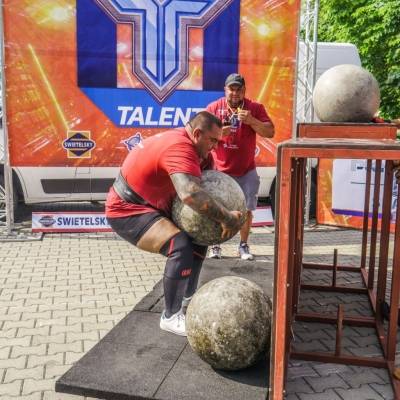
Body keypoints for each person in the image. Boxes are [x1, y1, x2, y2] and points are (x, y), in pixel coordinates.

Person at [105, 111, 243, 336]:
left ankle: (189, 299)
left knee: (198, 238)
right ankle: (170, 316)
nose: (215, 147)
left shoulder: (201, 152)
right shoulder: (180, 147)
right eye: (212, 140)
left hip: (155, 204)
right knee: (179, 246)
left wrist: (224, 213)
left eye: (218, 141)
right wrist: (227, 218)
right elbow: (190, 194)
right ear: (197, 134)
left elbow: (209, 187)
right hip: (126, 208)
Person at [206, 73, 275, 260]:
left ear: (244, 91)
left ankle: (243, 246)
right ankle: (215, 245)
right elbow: (201, 135)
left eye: (239, 89)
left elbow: (270, 132)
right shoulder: (214, 108)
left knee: (247, 210)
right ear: (225, 90)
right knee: (216, 208)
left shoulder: (254, 108)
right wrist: (219, 134)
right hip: (219, 172)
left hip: (246, 171)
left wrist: (252, 121)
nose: (235, 93)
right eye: (231, 89)